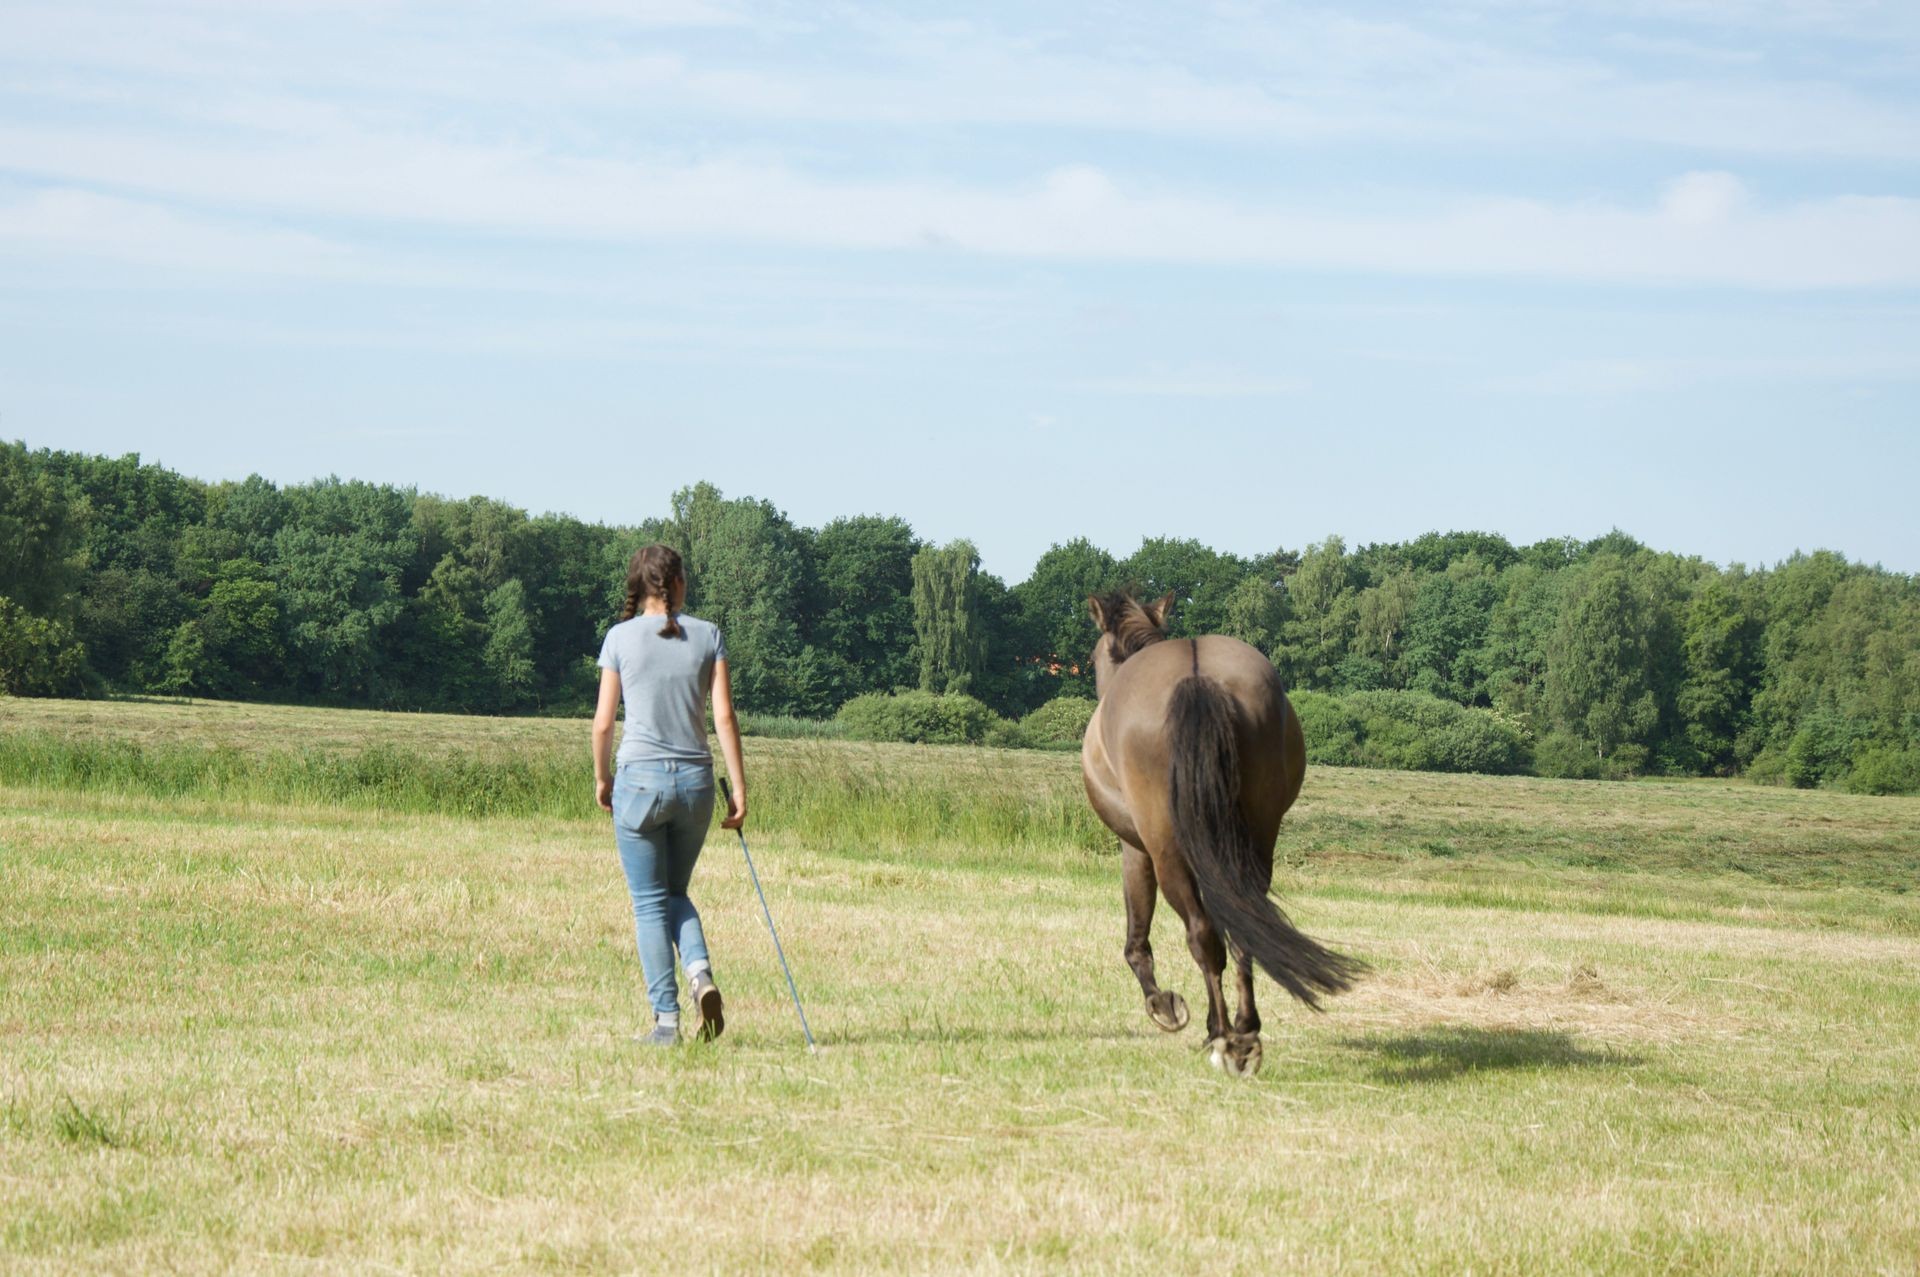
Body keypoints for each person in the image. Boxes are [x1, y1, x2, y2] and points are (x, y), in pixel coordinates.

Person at [591, 543, 747, 1046]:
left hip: (639, 782)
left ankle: (666, 1023)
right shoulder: (709, 635)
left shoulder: (619, 638)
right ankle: (700, 974)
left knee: (649, 904)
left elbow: (601, 725)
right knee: (675, 894)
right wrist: (739, 788)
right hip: (697, 785)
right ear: (676, 583)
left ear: (639, 587)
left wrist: (601, 778)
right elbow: (723, 717)